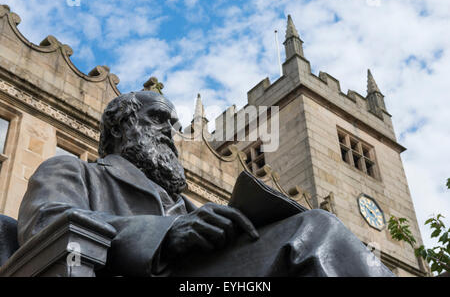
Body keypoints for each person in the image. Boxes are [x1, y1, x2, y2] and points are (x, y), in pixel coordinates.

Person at [17, 91, 394, 277]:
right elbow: (46, 224)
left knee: (312, 230)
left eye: (176, 126)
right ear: (119, 127)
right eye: (159, 119)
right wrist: (165, 235)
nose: (172, 133)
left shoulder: (184, 204)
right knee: (316, 231)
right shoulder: (72, 171)